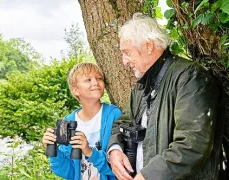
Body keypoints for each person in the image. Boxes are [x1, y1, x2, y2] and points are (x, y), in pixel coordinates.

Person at [107, 13, 224, 180]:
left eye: (127, 52)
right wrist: (114, 149)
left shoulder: (191, 78)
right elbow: (122, 123)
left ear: (148, 46)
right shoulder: (142, 85)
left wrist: (147, 176)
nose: (124, 61)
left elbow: (192, 144)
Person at [42, 62, 122, 180]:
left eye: (99, 78)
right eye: (88, 80)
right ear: (75, 90)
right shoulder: (68, 122)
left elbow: (120, 165)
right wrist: (53, 150)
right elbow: (68, 172)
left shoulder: (113, 115)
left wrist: (89, 152)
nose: (95, 82)